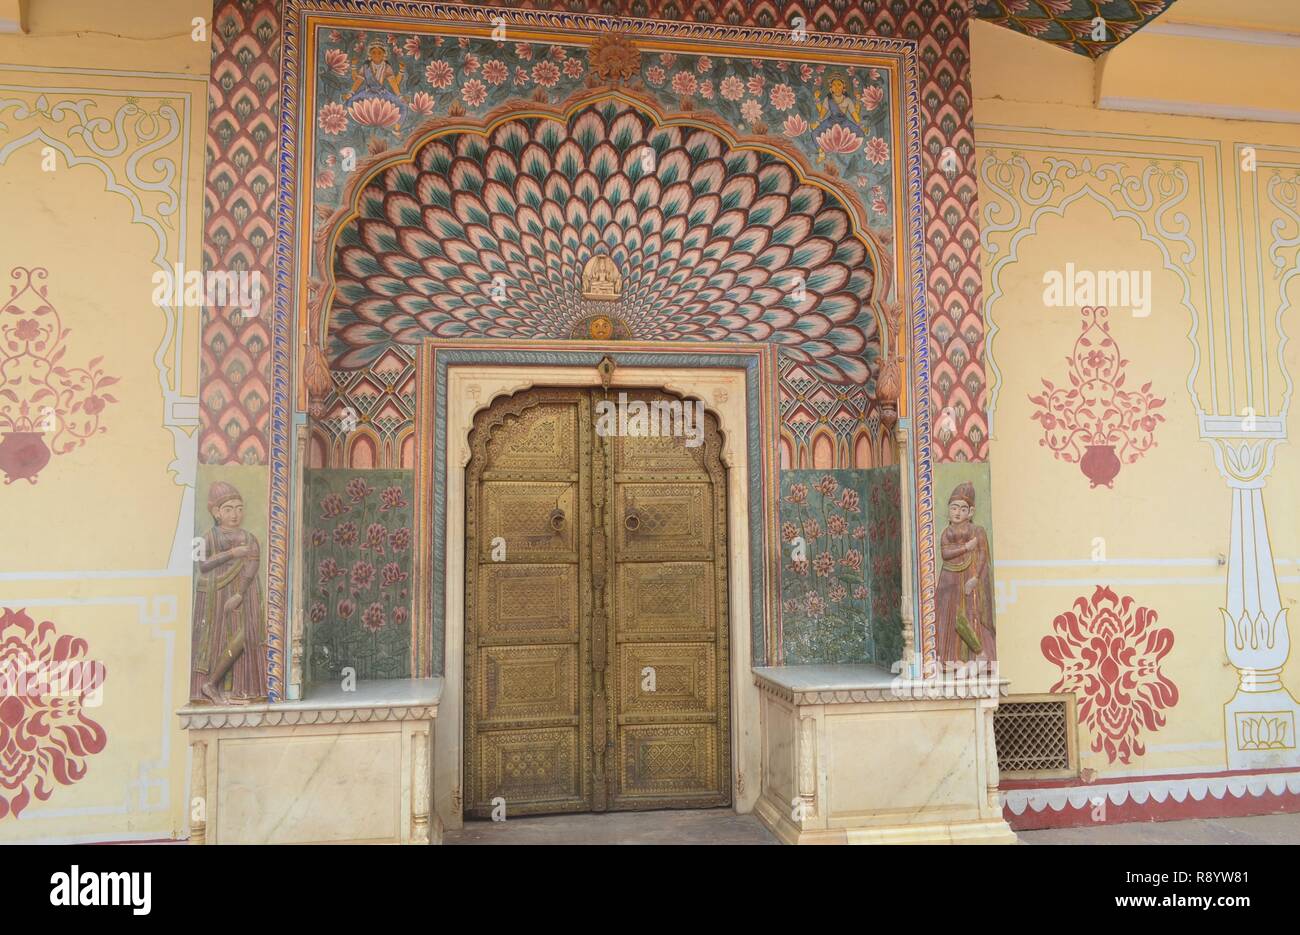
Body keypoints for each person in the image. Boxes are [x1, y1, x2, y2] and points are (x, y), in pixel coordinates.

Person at [190, 482, 266, 704]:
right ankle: (211, 686)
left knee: (246, 635)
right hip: (215, 594)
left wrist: (240, 594)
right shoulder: (208, 538)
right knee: (217, 638)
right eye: (229, 509)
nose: (235, 514)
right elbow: (203, 565)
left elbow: (253, 564)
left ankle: (223, 685)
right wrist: (232, 553)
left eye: (239, 508)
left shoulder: (250, 538)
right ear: (216, 512)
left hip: (243, 593)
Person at [935, 482, 995, 663]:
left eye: (962, 509)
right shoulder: (946, 532)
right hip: (948, 579)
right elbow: (945, 553)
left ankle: (978, 654)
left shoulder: (977, 531)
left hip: (969, 577)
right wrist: (965, 547)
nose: (957, 513)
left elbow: (984, 556)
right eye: (954, 508)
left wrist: (976, 578)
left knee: (969, 615)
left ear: (970, 512)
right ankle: (947, 658)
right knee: (947, 616)